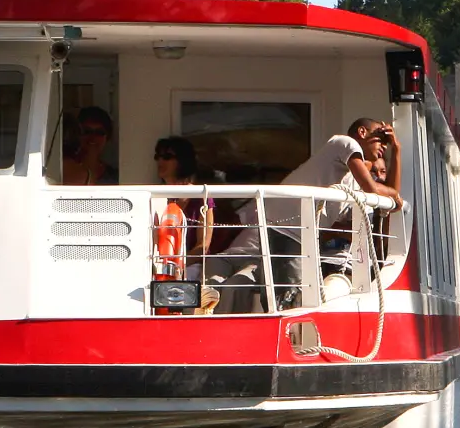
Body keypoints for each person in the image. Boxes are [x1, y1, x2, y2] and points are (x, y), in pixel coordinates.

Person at [215, 118, 401, 313]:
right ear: (362, 132)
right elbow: (373, 189)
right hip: (286, 231)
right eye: (381, 139)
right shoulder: (344, 142)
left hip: (299, 235)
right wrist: (393, 194)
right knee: (287, 302)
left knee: (290, 299)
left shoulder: (348, 179)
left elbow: (389, 196)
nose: (384, 147)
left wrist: (397, 150)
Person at [153, 137, 210, 276]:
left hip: (189, 267)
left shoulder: (200, 197)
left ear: (183, 161)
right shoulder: (154, 195)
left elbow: (203, 246)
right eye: (157, 156)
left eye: (167, 157)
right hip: (156, 266)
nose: (160, 161)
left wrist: (177, 264)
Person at [62, 106, 116, 185]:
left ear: (107, 137)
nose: (93, 138)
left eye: (99, 132)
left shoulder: (115, 177)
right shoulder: (64, 169)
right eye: (87, 131)